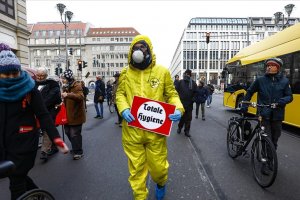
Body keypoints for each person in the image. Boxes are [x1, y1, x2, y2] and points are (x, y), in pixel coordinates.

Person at [116, 35, 184, 200]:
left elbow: (171, 94)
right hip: (132, 131)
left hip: (156, 132)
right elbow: (120, 94)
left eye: (142, 47)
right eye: (136, 47)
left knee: (158, 168)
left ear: (149, 50)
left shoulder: (162, 72)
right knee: (137, 169)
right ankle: (140, 196)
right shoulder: (125, 73)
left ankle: (161, 182)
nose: (139, 51)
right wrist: (124, 108)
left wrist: (178, 108)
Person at [0, 43, 69, 200]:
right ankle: (38, 196)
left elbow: (43, 115)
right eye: (6, 74)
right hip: (4, 146)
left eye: (14, 72)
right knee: (18, 177)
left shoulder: (29, 89)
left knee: (16, 183)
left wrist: (56, 139)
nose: (11, 77)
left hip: (24, 146)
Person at [242, 57, 293, 150]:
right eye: (268, 65)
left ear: (278, 68)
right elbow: (249, 92)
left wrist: (282, 101)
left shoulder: (284, 81)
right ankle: (267, 159)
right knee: (267, 137)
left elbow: (290, 96)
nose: (269, 67)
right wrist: (245, 104)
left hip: (278, 114)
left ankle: (271, 155)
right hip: (263, 114)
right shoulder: (260, 80)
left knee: (275, 138)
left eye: (272, 65)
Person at [36, 67, 62, 161]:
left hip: (49, 111)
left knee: (47, 129)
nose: (39, 77)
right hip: (38, 112)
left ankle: (44, 151)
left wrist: (38, 105)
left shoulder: (53, 84)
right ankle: (54, 146)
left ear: (46, 76)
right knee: (45, 129)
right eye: (38, 75)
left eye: (42, 75)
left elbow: (50, 98)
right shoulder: (33, 83)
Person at [61, 69, 86, 160]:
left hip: (76, 115)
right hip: (67, 115)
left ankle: (79, 151)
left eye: (64, 78)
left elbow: (80, 97)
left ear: (68, 78)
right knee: (68, 132)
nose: (62, 79)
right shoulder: (65, 86)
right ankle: (76, 147)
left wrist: (68, 95)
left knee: (74, 134)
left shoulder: (77, 85)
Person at [175, 69, 197, 137]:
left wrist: (193, 99)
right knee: (182, 118)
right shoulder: (180, 82)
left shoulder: (193, 83)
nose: (187, 75)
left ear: (190, 75)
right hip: (181, 104)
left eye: (188, 74)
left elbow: (196, 93)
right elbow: (176, 92)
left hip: (189, 104)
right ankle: (179, 127)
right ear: (184, 74)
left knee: (188, 119)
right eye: (186, 74)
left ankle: (187, 131)